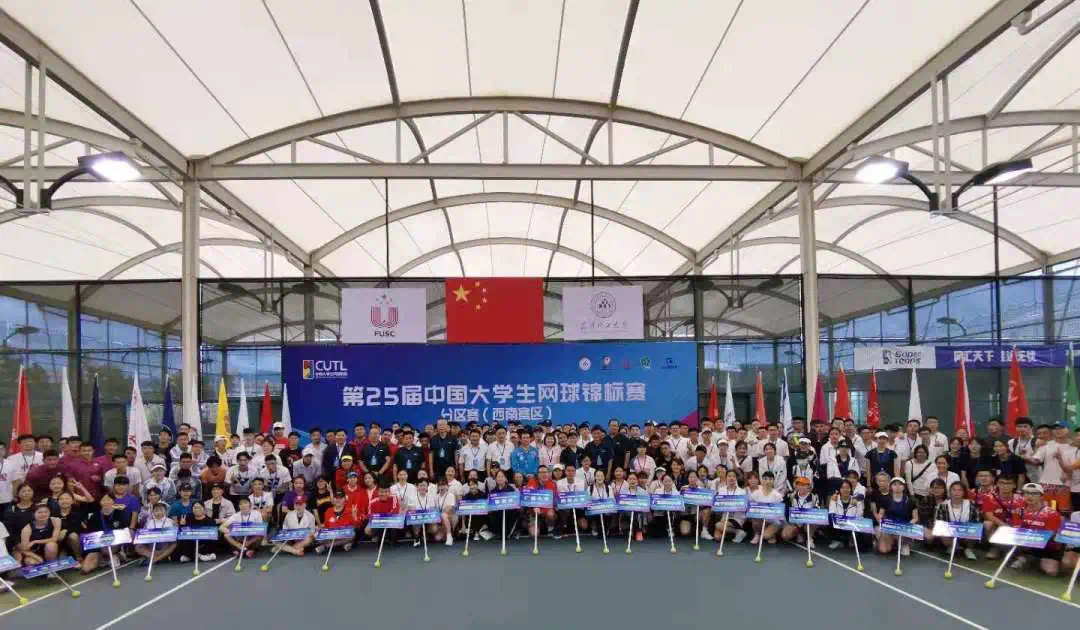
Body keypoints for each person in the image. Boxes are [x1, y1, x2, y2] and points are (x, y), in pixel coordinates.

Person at [1009, 483, 1064, 576]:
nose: (1030, 496)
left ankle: (1033, 559)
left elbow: (1050, 536)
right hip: (1026, 544)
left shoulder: (1051, 513)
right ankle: (1025, 556)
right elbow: (1016, 530)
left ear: (1041, 496)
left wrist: (1032, 536)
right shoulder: (1019, 511)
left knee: (1052, 571)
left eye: (1034, 493)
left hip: (1047, 547)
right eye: (1027, 493)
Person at [931, 481, 979, 560]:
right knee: (941, 532)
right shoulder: (942, 505)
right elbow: (939, 523)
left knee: (976, 529)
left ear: (964, 492)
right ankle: (954, 546)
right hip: (950, 532)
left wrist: (965, 529)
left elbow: (976, 521)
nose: (956, 492)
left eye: (959, 490)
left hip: (966, 531)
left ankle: (968, 549)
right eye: (954, 490)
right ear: (950, 491)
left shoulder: (971, 504)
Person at [876, 477, 918, 556]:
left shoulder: (911, 501)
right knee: (883, 550)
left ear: (904, 487)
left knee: (905, 554)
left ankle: (903, 544)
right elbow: (880, 515)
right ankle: (889, 543)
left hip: (904, 529)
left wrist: (908, 525)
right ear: (891, 486)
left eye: (900, 484)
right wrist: (883, 522)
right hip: (890, 529)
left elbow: (915, 518)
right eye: (895, 484)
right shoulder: (886, 500)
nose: (897, 486)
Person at [780, 477, 818, 547]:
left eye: (804, 485)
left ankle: (809, 538)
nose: (802, 487)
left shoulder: (814, 497)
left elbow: (818, 512)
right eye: (799, 485)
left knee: (816, 521)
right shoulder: (790, 496)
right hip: (795, 522)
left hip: (808, 522)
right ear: (796, 486)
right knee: (785, 535)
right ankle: (799, 533)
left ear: (809, 486)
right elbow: (785, 509)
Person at [827, 479, 864, 550]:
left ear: (851, 489)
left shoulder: (856, 500)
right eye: (843, 488)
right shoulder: (834, 498)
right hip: (838, 525)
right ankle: (837, 540)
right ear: (839, 489)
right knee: (829, 519)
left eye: (847, 488)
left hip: (851, 525)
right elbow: (831, 512)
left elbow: (859, 516)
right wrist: (841, 520)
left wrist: (849, 521)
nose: (845, 490)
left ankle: (851, 539)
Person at [749, 471, 783, 546]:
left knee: (766, 536)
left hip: (773, 521)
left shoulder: (778, 495)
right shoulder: (755, 493)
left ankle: (771, 534)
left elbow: (779, 514)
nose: (767, 481)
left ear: (773, 481)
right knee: (754, 517)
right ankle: (757, 534)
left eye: (770, 479)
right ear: (762, 480)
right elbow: (751, 508)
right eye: (765, 479)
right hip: (760, 519)